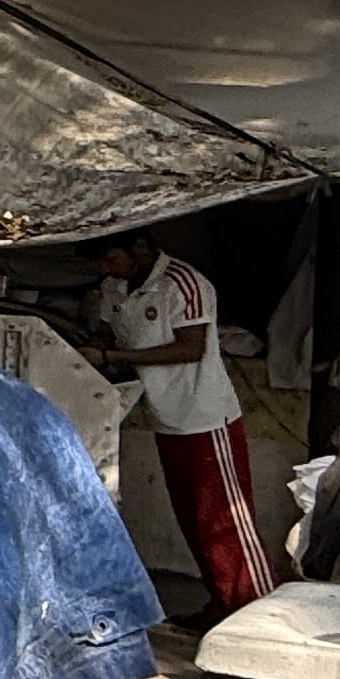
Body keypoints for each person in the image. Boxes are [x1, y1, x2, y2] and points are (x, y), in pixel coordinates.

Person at [89, 232, 288, 614]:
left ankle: (257, 610)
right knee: (194, 520)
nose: (106, 269)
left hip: (206, 416)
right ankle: (223, 601)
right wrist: (95, 347)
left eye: (113, 260)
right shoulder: (113, 287)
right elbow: (106, 329)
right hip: (165, 415)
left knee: (226, 520)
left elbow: (191, 347)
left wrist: (112, 356)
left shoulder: (183, 283)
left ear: (141, 251)